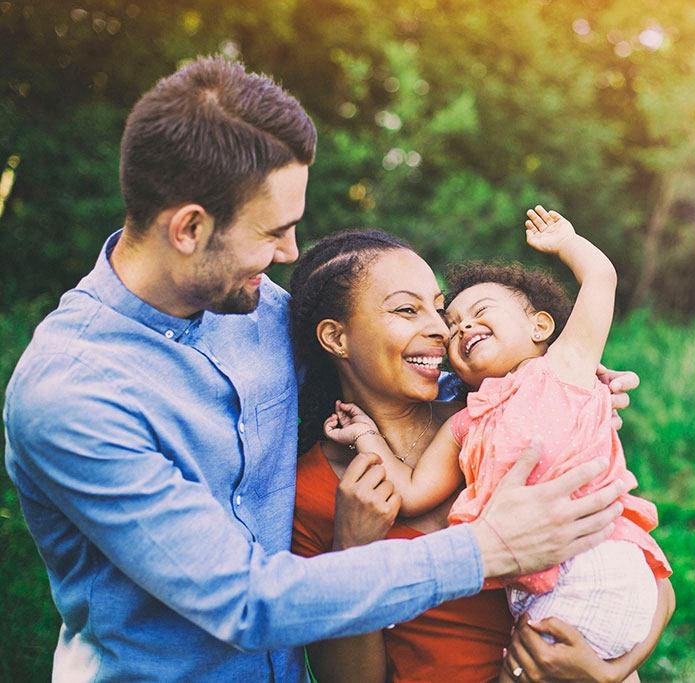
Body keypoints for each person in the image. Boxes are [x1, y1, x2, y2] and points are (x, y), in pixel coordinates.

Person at [2, 57, 632, 681]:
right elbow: (243, 600)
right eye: (273, 231)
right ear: (190, 228)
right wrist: (488, 547)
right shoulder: (71, 395)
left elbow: (393, 367)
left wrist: (545, 380)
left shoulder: (258, 309)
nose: (289, 253)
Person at [292, 228, 674, 682]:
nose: (439, 327)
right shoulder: (314, 492)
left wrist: (610, 673)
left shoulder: (503, 423)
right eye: (406, 309)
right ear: (336, 338)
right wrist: (352, 550)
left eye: (437, 308)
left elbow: (650, 576)